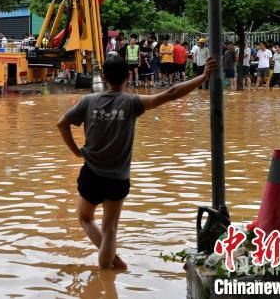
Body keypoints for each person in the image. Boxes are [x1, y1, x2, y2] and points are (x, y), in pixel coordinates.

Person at [57, 55, 217, 269]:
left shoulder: (88, 101)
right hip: (117, 178)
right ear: (127, 77)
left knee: (85, 218)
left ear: (103, 77)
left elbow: (62, 124)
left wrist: (76, 152)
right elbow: (171, 93)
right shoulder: (131, 103)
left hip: (91, 172)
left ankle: (108, 275)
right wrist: (203, 76)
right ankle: (110, 268)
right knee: (110, 229)